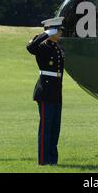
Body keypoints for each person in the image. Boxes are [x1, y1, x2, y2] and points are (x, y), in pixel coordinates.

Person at [26, 17, 65, 166]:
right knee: (46, 127)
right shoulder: (42, 46)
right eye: (58, 29)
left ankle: (53, 160)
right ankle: (43, 160)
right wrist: (46, 33)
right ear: (52, 30)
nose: (61, 32)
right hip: (45, 91)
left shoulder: (58, 47)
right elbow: (30, 48)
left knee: (55, 128)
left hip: (56, 91)